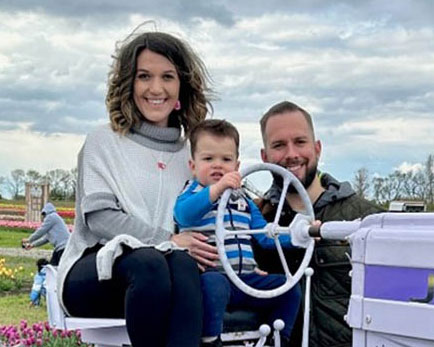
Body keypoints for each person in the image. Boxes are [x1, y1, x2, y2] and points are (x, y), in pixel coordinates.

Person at [57, 28, 216, 347]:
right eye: (144, 76)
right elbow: (101, 220)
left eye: (168, 77)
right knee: (151, 262)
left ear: (181, 87)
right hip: (97, 271)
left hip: (167, 275)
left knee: (183, 264)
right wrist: (168, 240)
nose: (156, 88)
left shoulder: (191, 155)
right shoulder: (103, 141)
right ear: (129, 84)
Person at [254, 101, 384, 347]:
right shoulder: (253, 221)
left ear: (317, 148)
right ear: (264, 156)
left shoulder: (366, 220)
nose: (291, 154)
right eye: (279, 145)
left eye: (300, 142)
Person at [174, 119, 301, 347]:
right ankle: (211, 340)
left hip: (246, 279)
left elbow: (265, 235)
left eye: (226, 160)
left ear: (237, 165)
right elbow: (184, 216)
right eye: (208, 159)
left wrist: (300, 235)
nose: (218, 166)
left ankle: (278, 338)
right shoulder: (193, 192)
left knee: (288, 287)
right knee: (213, 286)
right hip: (214, 277)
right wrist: (217, 189)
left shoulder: (242, 200)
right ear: (193, 165)